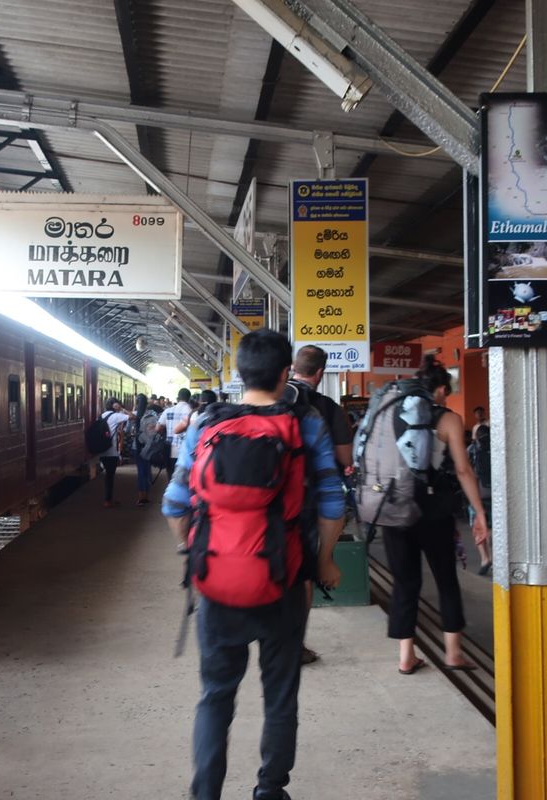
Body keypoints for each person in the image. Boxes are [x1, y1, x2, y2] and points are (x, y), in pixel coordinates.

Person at [163, 329, 346, 800]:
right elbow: (331, 502)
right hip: (283, 580)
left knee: (215, 696)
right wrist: (324, 561)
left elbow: (175, 504)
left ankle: (205, 793)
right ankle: (269, 790)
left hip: (217, 584)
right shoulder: (305, 422)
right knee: (280, 695)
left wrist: (200, 552)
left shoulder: (206, 423)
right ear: (287, 374)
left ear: (239, 374)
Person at [382, 356, 488, 674]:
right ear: (441, 389)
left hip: (394, 508)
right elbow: (463, 470)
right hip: (434, 511)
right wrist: (479, 513)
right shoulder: (449, 419)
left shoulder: (389, 413)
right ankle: (453, 653)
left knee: (404, 582)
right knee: (445, 579)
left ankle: (406, 656)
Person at [288, 345, 354, 666]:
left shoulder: (272, 399)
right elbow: (344, 459)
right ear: (319, 373)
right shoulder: (327, 407)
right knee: (303, 574)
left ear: (292, 368)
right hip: (308, 502)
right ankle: (295, 645)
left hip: (270, 501)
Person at [468, 423, 493, 575]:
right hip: (496, 495)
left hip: (478, 495)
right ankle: (497, 560)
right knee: (494, 529)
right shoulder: (498, 448)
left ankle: (485, 559)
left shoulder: (471, 450)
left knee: (478, 528)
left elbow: (466, 472)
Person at [98, 398, 132, 507]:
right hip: (111, 452)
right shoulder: (115, 416)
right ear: (114, 405)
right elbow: (133, 417)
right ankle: (107, 500)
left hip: (102, 450)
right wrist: (122, 409)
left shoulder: (101, 416)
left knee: (108, 475)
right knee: (110, 476)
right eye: (118, 404)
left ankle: (109, 498)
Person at [157, 388, 194, 476]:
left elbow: (157, 428)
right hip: (186, 452)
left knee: (171, 478)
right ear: (189, 398)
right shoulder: (192, 413)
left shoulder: (168, 411)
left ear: (178, 398)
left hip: (170, 450)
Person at [131, 394, 158, 506]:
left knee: (141, 472)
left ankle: (141, 497)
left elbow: (129, 430)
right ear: (147, 403)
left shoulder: (134, 416)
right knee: (147, 471)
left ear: (137, 403)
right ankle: (146, 495)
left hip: (136, 447)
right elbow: (155, 432)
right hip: (148, 447)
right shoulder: (152, 415)